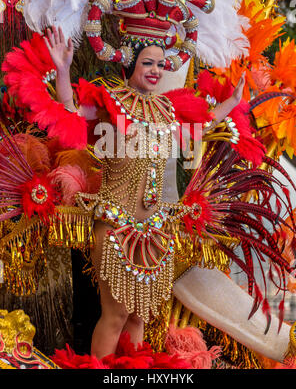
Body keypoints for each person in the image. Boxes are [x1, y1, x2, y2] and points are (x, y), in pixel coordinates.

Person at [44, 25, 246, 359]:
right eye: (148, 63)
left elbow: (204, 122)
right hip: (115, 225)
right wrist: (62, 69)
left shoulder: (167, 110)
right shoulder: (112, 103)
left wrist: (232, 102)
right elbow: (71, 114)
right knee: (116, 315)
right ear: (130, 64)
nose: (155, 71)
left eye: (160, 65)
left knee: (138, 316)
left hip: (155, 231)